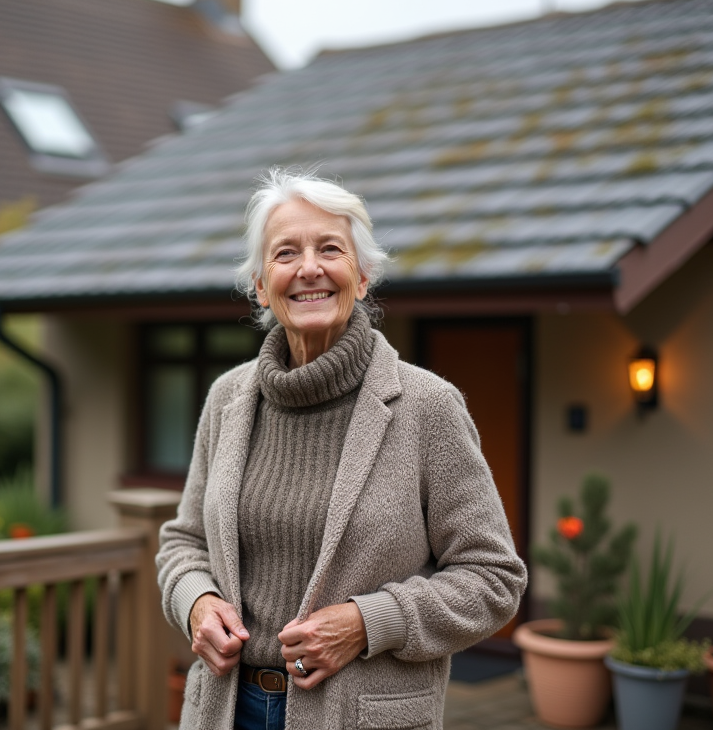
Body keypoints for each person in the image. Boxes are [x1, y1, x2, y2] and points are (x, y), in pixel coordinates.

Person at [156, 169, 527, 730]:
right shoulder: (227, 399)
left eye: (330, 248)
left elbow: (494, 578)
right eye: (286, 253)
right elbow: (183, 542)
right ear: (261, 285)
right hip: (225, 710)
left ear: (363, 276)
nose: (309, 268)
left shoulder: (427, 407)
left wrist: (368, 623)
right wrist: (196, 603)